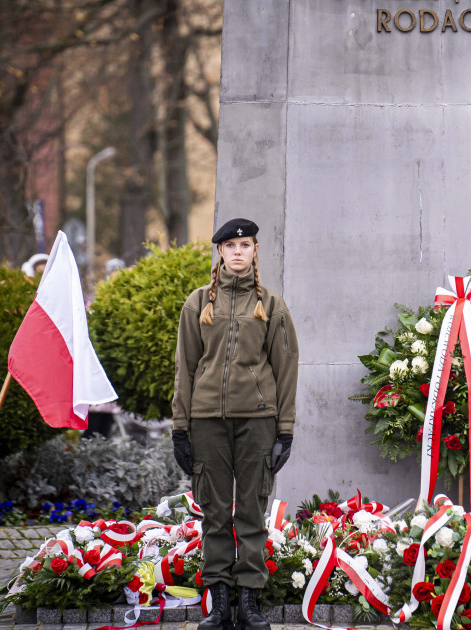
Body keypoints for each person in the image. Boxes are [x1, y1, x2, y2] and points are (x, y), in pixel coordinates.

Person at [170, 218, 300, 630]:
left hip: (257, 421)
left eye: (246, 244)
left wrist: (285, 430)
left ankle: (249, 602)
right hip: (206, 420)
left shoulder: (271, 305)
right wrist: (180, 426)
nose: (239, 251)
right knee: (213, 511)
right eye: (231, 245)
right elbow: (185, 367)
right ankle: (219, 601)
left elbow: (286, 367)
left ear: (255, 250)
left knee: (250, 510)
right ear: (221, 252)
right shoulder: (197, 303)